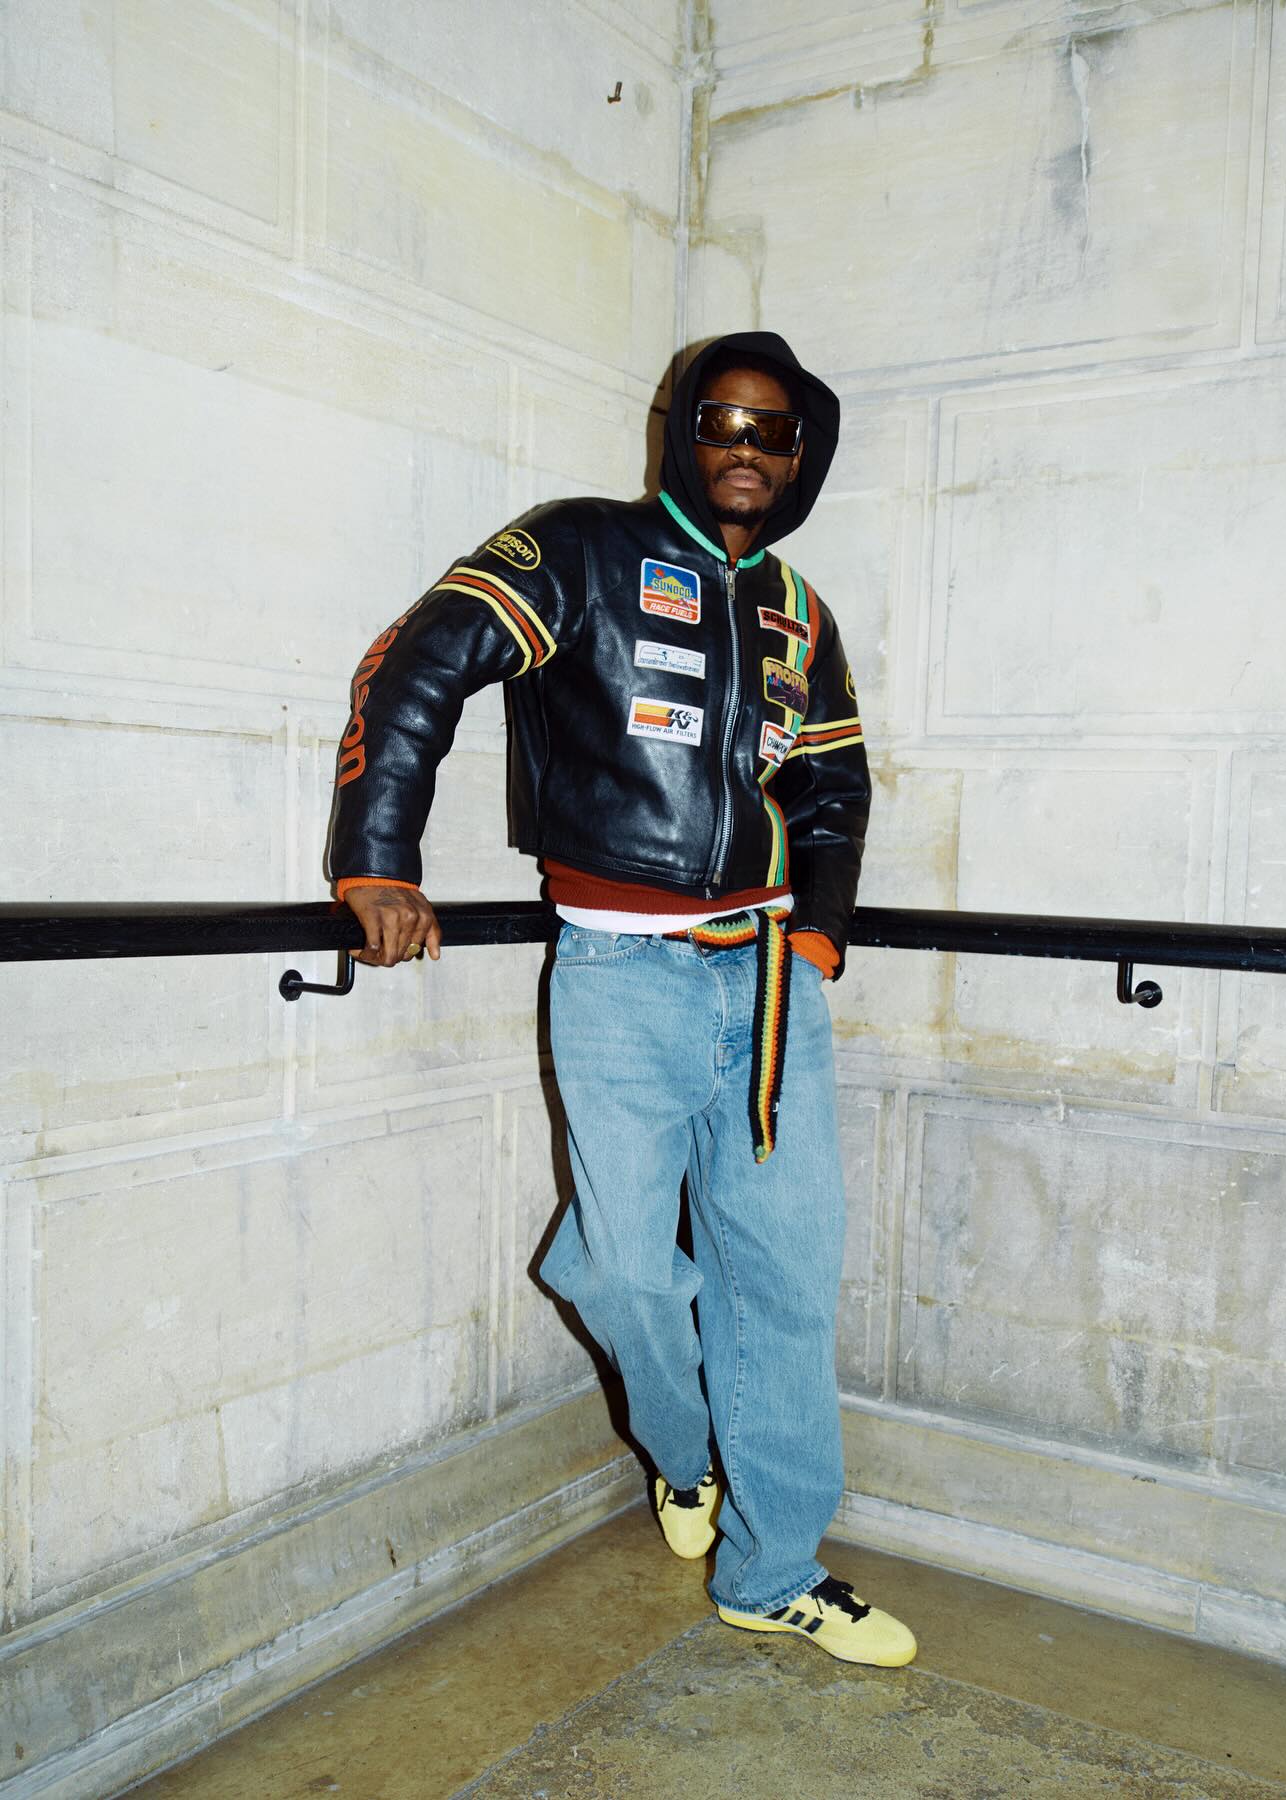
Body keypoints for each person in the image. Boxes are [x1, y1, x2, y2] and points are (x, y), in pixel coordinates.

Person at [325, 331, 916, 1669]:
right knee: (629, 1269)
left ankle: (774, 1568)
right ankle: (683, 1449)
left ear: (803, 453)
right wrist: (378, 858)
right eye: (722, 423)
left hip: (773, 990)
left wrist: (819, 938)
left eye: (772, 432)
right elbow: (415, 663)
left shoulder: (801, 611)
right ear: (682, 432)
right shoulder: (580, 549)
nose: (745, 450)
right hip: (620, 978)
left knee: (784, 1282)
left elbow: (835, 788)